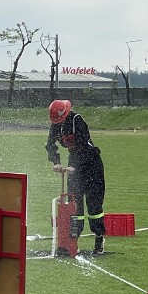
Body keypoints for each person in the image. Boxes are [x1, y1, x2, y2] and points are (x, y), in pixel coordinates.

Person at [45, 99, 106, 254]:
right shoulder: (56, 125)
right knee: (74, 203)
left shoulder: (76, 120)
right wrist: (56, 162)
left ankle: (99, 237)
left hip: (92, 164)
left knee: (94, 206)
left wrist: (76, 166)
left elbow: (83, 144)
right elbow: (50, 145)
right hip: (74, 163)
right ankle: (72, 242)